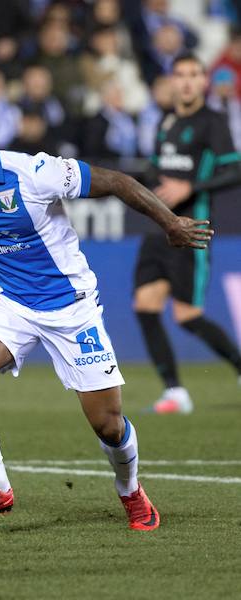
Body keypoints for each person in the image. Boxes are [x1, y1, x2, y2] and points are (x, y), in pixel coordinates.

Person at [0, 106, 212, 530]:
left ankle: (131, 489)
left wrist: (169, 223)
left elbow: (117, 181)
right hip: (10, 301)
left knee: (108, 426)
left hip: (70, 306)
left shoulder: (35, 173)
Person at [134, 53, 241, 414]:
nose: (187, 81)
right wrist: (150, 181)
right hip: (159, 228)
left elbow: (234, 169)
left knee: (187, 315)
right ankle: (175, 392)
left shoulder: (213, 122)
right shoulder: (166, 122)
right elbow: (155, 166)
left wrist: (190, 187)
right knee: (145, 307)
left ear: (203, 82)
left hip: (191, 229)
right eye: (180, 74)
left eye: (194, 74)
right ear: (172, 81)